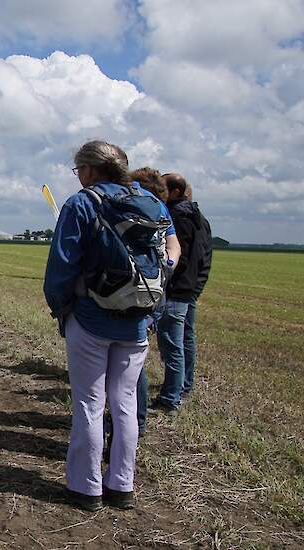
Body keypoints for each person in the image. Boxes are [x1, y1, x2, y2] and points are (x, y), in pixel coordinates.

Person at [44, 140, 164, 512]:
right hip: (136, 323)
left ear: (92, 170)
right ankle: (122, 486)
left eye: (79, 169)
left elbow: (61, 267)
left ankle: (86, 488)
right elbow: (163, 262)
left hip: (91, 319)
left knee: (89, 404)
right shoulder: (153, 203)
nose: (78, 177)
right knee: (125, 404)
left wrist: (63, 311)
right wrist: (150, 318)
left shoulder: (82, 203)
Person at [126, 167, 180, 436]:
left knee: (132, 367)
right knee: (136, 360)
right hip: (155, 293)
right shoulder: (160, 210)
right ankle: (136, 422)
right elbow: (174, 247)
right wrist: (165, 267)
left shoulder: (135, 208)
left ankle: (134, 422)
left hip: (136, 294)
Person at [151, 174, 211, 414]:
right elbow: (205, 257)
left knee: (171, 343)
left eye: (163, 189)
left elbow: (179, 258)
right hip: (189, 289)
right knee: (185, 339)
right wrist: (196, 286)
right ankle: (183, 385)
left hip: (176, 290)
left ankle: (170, 397)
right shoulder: (198, 217)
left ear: (175, 192)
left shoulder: (177, 217)